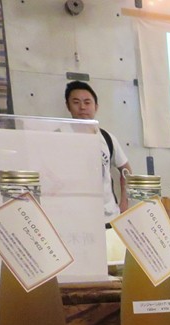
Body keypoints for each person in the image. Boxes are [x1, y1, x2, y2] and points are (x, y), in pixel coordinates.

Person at [64, 80, 131, 222]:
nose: (82, 107)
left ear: (96, 106)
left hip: (108, 217)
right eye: (76, 102)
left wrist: (124, 203)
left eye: (87, 102)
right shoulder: (59, 137)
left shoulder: (107, 138)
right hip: (73, 218)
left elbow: (126, 169)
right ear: (68, 106)